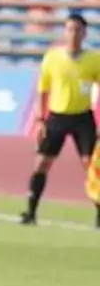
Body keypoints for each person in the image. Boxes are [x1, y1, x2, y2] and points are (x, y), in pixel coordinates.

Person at [21, 13, 100, 227]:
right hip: (57, 117)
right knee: (42, 164)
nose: (73, 34)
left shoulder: (94, 59)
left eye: (77, 30)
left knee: (91, 166)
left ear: (84, 33)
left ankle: (99, 215)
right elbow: (43, 89)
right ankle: (31, 211)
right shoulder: (53, 57)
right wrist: (39, 119)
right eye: (69, 29)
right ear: (64, 32)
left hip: (83, 117)